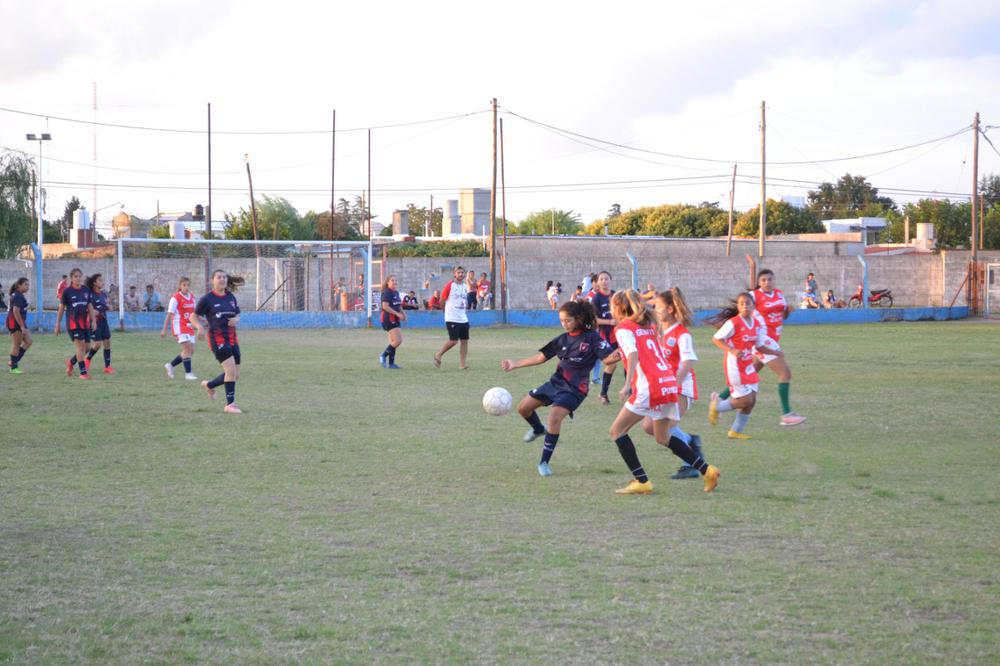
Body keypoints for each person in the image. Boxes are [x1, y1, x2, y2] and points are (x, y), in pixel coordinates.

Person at [609, 289, 719, 495]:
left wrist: (627, 384)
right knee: (662, 436)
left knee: (617, 431)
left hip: (649, 386)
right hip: (667, 383)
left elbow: (633, 354)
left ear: (617, 308)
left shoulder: (624, 328)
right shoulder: (649, 327)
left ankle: (641, 481)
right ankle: (707, 470)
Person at [501, 300, 616, 477]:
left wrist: (624, 352)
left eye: (567, 320)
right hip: (556, 382)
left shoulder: (592, 338)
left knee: (554, 417)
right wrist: (514, 364)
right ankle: (539, 429)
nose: (564, 324)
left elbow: (607, 359)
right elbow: (541, 358)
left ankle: (544, 462)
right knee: (523, 408)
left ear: (579, 318)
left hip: (576, 389)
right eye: (561, 320)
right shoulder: (562, 339)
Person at [646, 287, 709, 481]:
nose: (656, 310)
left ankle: (690, 464)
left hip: (681, 388)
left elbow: (687, 362)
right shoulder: (657, 331)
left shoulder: (682, 334)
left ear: (671, 310)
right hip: (664, 387)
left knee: (664, 430)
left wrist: (674, 386)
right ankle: (690, 441)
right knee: (649, 427)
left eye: (659, 307)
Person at [706, 292, 783, 439]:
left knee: (751, 401)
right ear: (738, 306)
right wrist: (732, 350)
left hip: (747, 365)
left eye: (748, 303)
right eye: (741, 303)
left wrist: (775, 352)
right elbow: (716, 339)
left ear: (753, 306)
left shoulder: (756, 324)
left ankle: (735, 431)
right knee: (745, 400)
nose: (745, 306)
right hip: (734, 366)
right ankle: (717, 407)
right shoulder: (733, 323)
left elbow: (759, 346)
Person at [752, 269, 807, 425]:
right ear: (758, 282)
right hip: (763, 340)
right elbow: (743, 311)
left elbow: (782, 317)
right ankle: (786, 415)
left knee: (749, 373)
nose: (767, 282)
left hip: (774, 340)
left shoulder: (779, 294)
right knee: (785, 373)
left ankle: (719, 400)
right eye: (763, 280)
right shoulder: (754, 296)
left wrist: (788, 312)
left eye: (770, 279)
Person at [191, 270, 244, 414]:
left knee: (234, 374)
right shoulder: (207, 299)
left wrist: (236, 319)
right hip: (217, 339)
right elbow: (193, 316)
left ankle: (209, 385)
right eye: (219, 277)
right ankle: (230, 405)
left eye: (224, 277)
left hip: (233, 339)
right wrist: (200, 327)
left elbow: (237, 314)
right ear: (212, 281)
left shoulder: (230, 297)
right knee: (230, 372)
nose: (222, 279)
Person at [54, 267, 96, 380]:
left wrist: (94, 321)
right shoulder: (67, 291)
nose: (78, 278)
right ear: (71, 278)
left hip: (85, 324)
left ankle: (71, 362)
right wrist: (57, 324)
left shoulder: (86, 290)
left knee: (87, 348)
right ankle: (83, 373)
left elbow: (90, 306)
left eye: (79, 276)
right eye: (75, 276)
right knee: (81, 347)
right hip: (73, 325)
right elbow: (61, 308)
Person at [589, 271, 618, 403]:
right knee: (611, 364)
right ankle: (603, 394)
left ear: (610, 280)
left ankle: (630, 391)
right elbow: (594, 320)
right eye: (601, 279)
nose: (604, 281)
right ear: (598, 282)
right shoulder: (596, 299)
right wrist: (609, 322)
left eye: (606, 278)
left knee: (630, 361)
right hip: (606, 337)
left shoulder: (615, 295)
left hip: (620, 334)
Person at [161, 276, 199, 380]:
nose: (186, 287)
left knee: (191, 351)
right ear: (180, 286)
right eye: (184, 285)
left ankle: (170, 365)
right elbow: (169, 314)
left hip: (189, 326)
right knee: (187, 350)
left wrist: (203, 321)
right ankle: (188, 373)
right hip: (179, 326)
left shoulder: (192, 297)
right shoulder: (175, 298)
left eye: (188, 285)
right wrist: (164, 329)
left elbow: (194, 313)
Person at [433, 266, 470, 370]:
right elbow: (442, 299)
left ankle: (462, 364)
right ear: (454, 274)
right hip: (452, 317)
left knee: (464, 341)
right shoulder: (450, 285)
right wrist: (445, 311)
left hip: (463, 317)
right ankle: (438, 354)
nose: (461, 274)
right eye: (459, 272)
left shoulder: (464, 286)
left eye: (462, 272)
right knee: (453, 341)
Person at [84, 273, 115, 375]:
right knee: (97, 344)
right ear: (94, 283)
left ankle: (107, 367)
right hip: (94, 322)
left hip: (103, 321)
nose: (102, 282)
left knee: (107, 343)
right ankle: (88, 359)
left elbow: (106, 305)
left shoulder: (104, 294)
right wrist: (93, 312)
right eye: (100, 280)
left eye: (102, 280)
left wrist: (109, 307)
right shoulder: (90, 295)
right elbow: (88, 309)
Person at [379, 275, 406, 369]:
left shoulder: (396, 292)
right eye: (392, 280)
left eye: (395, 280)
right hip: (388, 318)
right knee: (398, 340)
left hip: (395, 319)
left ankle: (391, 364)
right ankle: (383, 355)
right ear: (388, 282)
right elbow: (385, 306)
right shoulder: (387, 292)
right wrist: (397, 314)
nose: (394, 282)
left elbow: (399, 305)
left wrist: (403, 313)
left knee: (394, 341)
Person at [6, 278, 31, 374]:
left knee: (28, 341)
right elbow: (15, 311)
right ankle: (13, 367)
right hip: (15, 322)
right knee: (17, 344)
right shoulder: (17, 296)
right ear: (19, 285)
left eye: (28, 285)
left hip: (19, 322)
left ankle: (13, 361)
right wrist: (22, 326)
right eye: (25, 284)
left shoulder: (19, 295)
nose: (27, 287)